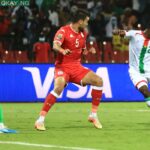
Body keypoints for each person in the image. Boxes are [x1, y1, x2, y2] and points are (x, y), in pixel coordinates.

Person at [35, 10, 103, 130]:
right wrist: (62, 50)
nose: (87, 24)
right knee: (59, 87)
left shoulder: (83, 34)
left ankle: (93, 115)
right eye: (86, 21)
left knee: (99, 81)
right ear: (80, 21)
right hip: (63, 67)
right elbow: (55, 45)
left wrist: (89, 51)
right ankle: (40, 120)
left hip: (77, 67)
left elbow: (82, 52)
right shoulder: (63, 31)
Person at [114, 24, 150, 106]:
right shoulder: (135, 34)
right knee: (145, 91)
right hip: (136, 72)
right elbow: (123, 33)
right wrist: (119, 32)